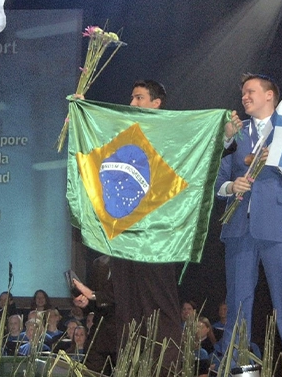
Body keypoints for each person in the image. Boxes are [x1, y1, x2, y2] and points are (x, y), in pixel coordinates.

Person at [72, 80, 185, 366]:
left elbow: (195, 153)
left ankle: (167, 369)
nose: (132, 103)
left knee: (160, 308)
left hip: (157, 239)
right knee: (127, 308)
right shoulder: (123, 131)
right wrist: (82, 111)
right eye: (131, 97)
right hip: (126, 234)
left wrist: (226, 138)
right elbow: (98, 143)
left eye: (139, 98)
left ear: (156, 103)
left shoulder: (171, 134)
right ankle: (131, 367)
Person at [215, 73, 282, 374]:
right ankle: (235, 370)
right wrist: (230, 187)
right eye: (243, 93)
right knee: (237, 306)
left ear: (270, 96)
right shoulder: (235, 133)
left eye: (250, 91)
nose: (244, 97)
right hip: (238, 230)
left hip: (280, 230)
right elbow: (215, 181)